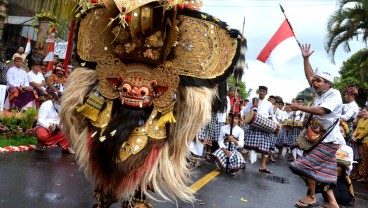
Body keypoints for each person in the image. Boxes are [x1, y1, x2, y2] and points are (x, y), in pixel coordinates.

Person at [288, 44, 344, 208]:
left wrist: (299, 107)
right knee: (321, 172)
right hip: (319, 139)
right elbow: (310, 75)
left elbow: (321, 110)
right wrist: (306, 59)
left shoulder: (334, 94)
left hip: (329, 141)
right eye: (314, 81)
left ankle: (311, 196)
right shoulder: (320, 92)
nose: (314, 83)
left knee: (304, 166)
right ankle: (332, 203)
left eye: (318, 81)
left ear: (328, 84)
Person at [240, 85, 275, 174]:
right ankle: (243, 163)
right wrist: (243, 118)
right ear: (258, 91)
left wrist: (276, 123)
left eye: (263, 91)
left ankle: (262, 167)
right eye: (260, 91)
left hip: (264, 126)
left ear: (266, 93)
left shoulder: (269, 104)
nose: (262, 92)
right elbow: (244, 110)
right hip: (253, 124)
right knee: (247, 144)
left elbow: (272, 115)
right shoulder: (253, 101)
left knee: (265, 146)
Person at [351, 106, 368, 183]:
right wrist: (353, 136)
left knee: (365, 159)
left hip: (365, 141)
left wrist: (357, 137)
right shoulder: (361, 120)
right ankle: (360, 174)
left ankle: (364, 176)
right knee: (360, 159)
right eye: (363, 112)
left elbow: (366, 131)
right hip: (359, 141)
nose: (363, 113)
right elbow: (357, 129)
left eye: (365, 112)